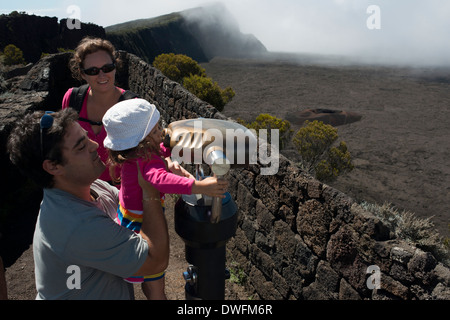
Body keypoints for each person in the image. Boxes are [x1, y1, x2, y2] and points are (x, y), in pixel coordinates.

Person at [6, 108, 169, 300]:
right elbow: (155, 259)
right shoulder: (75, 224)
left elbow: (133, 208)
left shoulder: (91, 187)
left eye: (87, 137)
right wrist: (150, 191)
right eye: (81, 147)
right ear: (53, 166)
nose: (94, 145)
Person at [102, 98, 228, 300]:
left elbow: (163, 150)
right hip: (141, 222)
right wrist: (199, 186)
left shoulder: (136, 153)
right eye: (155, 130)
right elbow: (161, 180)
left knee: (149, 277)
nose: (161, 132)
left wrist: (180, 147)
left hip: (128, 214)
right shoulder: (146, 160)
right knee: (154, 279)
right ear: (141, 140)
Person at [62, 36, 137, 182]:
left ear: (115, 67)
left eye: (107, 68)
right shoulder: (72, 99)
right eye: (93, 71)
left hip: (122, 191)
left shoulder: (132, 106)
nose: (102, 75)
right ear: (83, 73)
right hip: (83, 187)